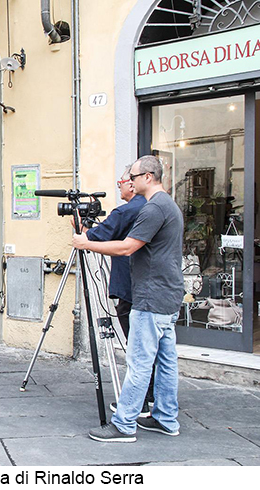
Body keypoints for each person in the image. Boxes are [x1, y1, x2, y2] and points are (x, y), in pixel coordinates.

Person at [73, 155, 184, 443]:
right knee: (167, 361)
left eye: (133, 177)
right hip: (168, 294)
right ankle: (165, 418)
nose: (130, 183)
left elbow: (127, 248)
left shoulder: (154, 209)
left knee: (140, 362)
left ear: (148, 176)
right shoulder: (169, 205)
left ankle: (124, 424)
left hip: (151, 295)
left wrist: (88, 243)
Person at [82, 165, 153, 416]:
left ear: (132, 183)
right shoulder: (150, 207)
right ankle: (151, 397)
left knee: (135, 345)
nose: (120, 186)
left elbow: (95, 237)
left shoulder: (127, 210)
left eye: (121, 182)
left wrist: (83, 229)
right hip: (146, 284)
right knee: (149, 347)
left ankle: (139, 402)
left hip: (131, 285)